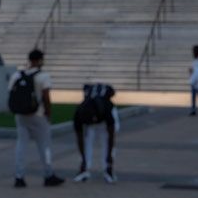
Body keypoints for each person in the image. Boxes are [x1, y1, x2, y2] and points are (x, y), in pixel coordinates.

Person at [9, 49, 62, 188]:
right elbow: (46, 97)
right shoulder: (43, 76)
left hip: (20, 115)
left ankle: (19, 176)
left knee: (21, 145)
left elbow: (11, 93)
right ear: (39, 61)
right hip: (38, 115)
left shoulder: (17, 75)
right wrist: (49, 114)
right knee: (44, 146)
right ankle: (48, 174)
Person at [72, 82, 119, 183]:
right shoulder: (80, 113)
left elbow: (111, 136)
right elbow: (80, 138)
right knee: (87, 139)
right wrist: (83, 160)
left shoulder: (107, 109)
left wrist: (109, 158)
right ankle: (84, 169)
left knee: (106, 141)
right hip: (95, 114)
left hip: (105, 117)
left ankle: (108, 169)